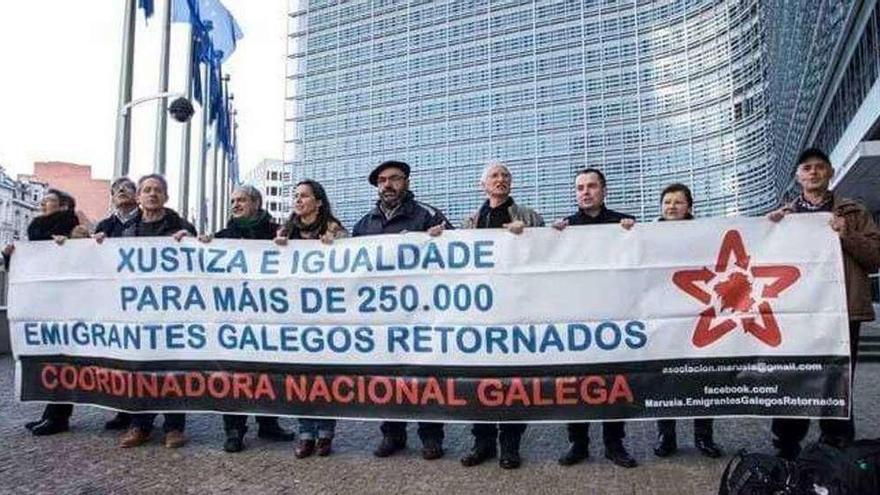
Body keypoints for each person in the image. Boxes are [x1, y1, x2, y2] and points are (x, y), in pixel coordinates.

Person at [768, 148, 880, 460]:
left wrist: (846, 236)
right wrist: (768, 231)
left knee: (838, 380)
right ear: (798, 176)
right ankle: (786, 446)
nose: (814, 173)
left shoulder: (854, 213)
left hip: (843, 313)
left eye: (820, 167)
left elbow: (875, 257)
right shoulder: (783, 218)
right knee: (793, 377)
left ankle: (837, 446)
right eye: (807, 168)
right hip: (798, 315)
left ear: (830, 172)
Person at [352, 160, 452, 460]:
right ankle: (392, 434)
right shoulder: (365, 223)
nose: (387, 185)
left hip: (422, 312)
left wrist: (442, 239)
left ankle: (431, 437)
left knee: (424, 374)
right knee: (388, 375)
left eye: (394, 179)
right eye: (382, 180)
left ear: (406, 181)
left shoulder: (428, 215)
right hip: (382, 315)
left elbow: (458, 254)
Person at [198, 185, 297, 453]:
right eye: (233, 201)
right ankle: (234, 430)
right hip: (235, 320)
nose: (235, 205)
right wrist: (194, 244)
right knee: (234, 376)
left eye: (241, 200)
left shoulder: (279, 233)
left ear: (256, 203)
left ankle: (268, 424)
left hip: (270, 317)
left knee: (268, 372)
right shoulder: (222, 237)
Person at [460, 161, 543, 469]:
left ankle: (509, 446)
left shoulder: (529, 217)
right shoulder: (470, 222)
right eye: (495, 175)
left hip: (515, 311)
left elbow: (547, 256)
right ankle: (481, 443)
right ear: (483, 184)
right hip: (480, 315)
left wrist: (529, 235)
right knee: (480, 381)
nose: (501, 179)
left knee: (512, 383)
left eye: (506, 175)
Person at [552, 168, 638, 469]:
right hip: (577, 318)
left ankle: (615, 444)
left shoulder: (622, 223)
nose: (585, 192)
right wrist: (548, 239)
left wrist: (634, 232)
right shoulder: (565, 227)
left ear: (604, 190)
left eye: (591, 186)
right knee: (578, 384)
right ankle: (579, 444)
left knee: (612, 383)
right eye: (579, 188)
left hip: (613, 318)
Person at [114, 174, 196, 449]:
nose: (152, 194)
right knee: (140, 368)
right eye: (146, 190)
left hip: (173, 313)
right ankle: (140, 425)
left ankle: (174, 427)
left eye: (157, 190)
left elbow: (200, 263)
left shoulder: (182, 227)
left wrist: (191, 241)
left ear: (166, 197)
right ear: (138, 197)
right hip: (138, 315)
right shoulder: (125, 232)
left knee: (174, 369)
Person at [274, 180, 348, 457]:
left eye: (304, 196)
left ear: (318, 202)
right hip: (296, 315)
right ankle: (306, 433)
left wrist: (337, 246)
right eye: (295, 196)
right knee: (300, 377)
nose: (298, 200)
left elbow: (355, 261)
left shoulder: (334, 229)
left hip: (327, 315)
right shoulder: (285, 231)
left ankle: (325, 434)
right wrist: (277, 248)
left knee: (324, 377)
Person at [652, 183, 722, 459]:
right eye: (667, 202)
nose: (671, 207)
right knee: (664, 380)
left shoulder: (704, 235)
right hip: (663, 319)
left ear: (689, 207)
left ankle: (704, 437)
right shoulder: (648, 236)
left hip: (698, 317)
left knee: (701, 378)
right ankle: (666, 437)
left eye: (677, 202)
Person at [11, 189, 80, 436]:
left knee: (63, 360)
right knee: (51, 358)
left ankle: (59, 416)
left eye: (48, 201)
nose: (42, 204)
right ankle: (50, 414)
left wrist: (70, 245)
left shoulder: (74, 230)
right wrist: (10, 257)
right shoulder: (37, 231)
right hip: (45, 302)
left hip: (68, 304)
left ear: (63, 206)